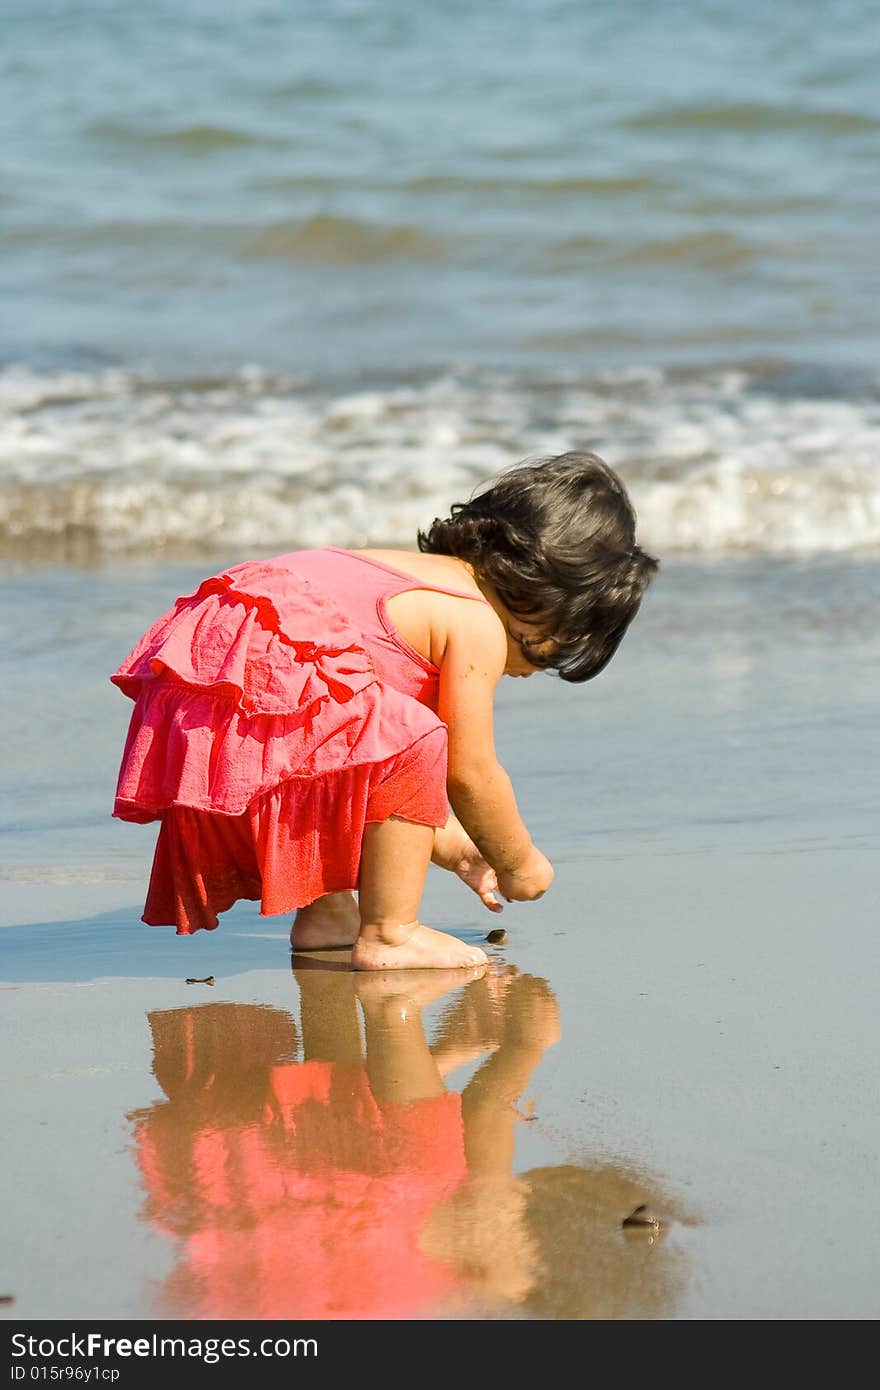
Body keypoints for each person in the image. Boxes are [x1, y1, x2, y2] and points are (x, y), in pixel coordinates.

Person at [110, 451, 658, 969]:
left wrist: (461, 851)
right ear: (553, 600)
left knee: (361, 741)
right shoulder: (476, 622)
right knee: (420, 735)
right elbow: (470, 775)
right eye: (554, 647)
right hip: (260, 669)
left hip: (206, 671)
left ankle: (327, 914)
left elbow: (367, 783)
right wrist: (519, 863)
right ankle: (390, 934)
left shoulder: (406, 573)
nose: (533, 668)